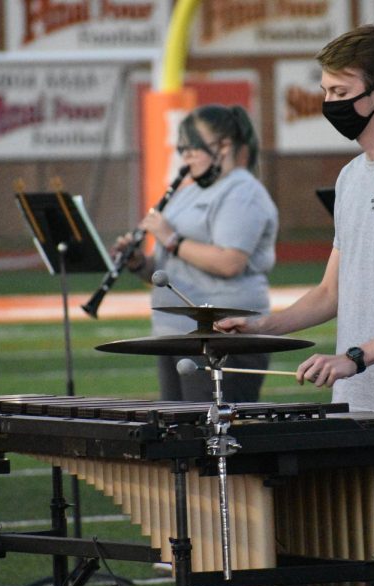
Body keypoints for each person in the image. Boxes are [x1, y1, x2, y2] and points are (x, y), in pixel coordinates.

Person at [218, 25, 374, 586]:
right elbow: (331, 294)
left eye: (340, 90)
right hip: (356, 406)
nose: (328, 102)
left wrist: (357, 357)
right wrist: (258, 327)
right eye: (325, 90)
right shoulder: (351, 177)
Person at [119, 104, 278, 402]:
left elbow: (230, 261)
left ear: (223, 146)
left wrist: (172, 239)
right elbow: (173, 266)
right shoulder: (189, 191)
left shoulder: (243, 191)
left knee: (212, 435)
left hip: (221, 335)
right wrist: (140, 263)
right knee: (178, 436)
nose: (186, 156)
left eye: (194, 147)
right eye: (183, 148)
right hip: (174, 333)